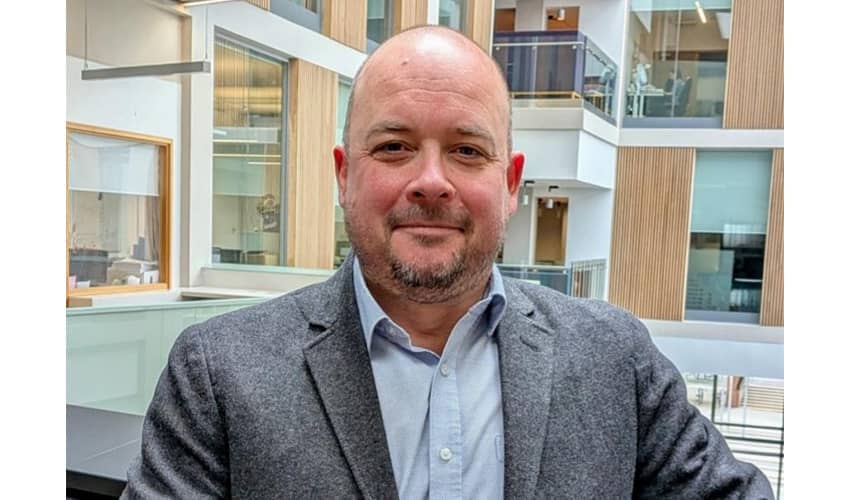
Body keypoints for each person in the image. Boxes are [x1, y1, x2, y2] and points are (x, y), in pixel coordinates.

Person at [122, 26, 773, 499]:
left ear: (511, 182)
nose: (431, 181)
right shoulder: (216, 373)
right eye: (395, 146)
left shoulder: (615, 358)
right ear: (344, 175)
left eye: (466, 150)